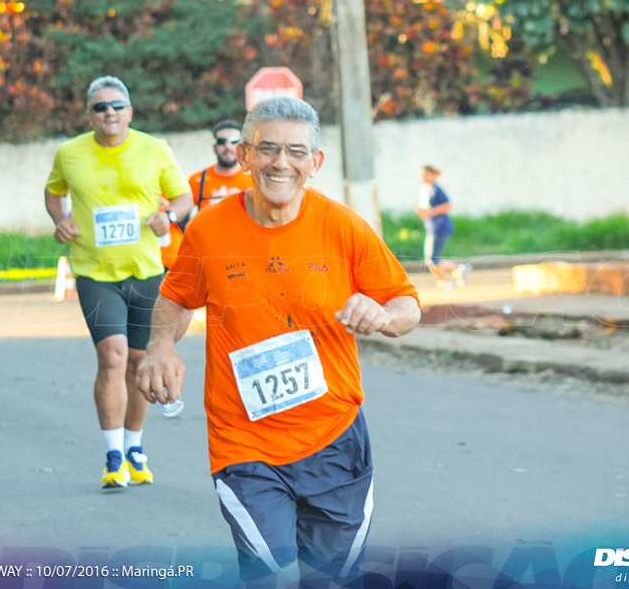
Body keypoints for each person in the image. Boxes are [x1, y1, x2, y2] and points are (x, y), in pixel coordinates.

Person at [136, 96, 421, 585]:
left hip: (333, 436)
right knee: (268, 571)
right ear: (244, 156)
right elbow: (177, 297)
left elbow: (406, 305)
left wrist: (382, 315)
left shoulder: (343, 227)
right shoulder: (208, 230)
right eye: (267, 149)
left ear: (315, 162)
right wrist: (160, 347)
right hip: (243, 440)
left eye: (294, 151)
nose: (280, 162)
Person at [44, 75, 192, 489]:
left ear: (130, 111)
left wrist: (171, 216)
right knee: (111, 355)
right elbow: (53, 191)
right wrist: (60, 220)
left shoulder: (155, 148)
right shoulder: (70, 153)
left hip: (145, 270)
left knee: (138, 361)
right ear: (89, 114)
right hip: (94, 271)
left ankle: (134, 446)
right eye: (100, 107)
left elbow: (182, 197)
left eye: (116, 106)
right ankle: (112, 455)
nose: (109, 112)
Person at [185, 119, 253, 217]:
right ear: (214, 147)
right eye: (221, 142)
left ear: (242, 146)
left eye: (234, 141)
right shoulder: (199, 180)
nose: (228, 147)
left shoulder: (255, 178)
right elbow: (174, 207)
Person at [417, 165, 468, 288]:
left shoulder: (436, 189)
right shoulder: (425, 190)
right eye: (421, 175)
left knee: (433, 259)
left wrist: (431, 211)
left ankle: (448, 280)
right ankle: (457, 272)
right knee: (429, 260)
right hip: (431, 227)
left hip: (440, 227)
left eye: (426, 175)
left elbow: (448, 205)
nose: (423, 177)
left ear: (432, 175)